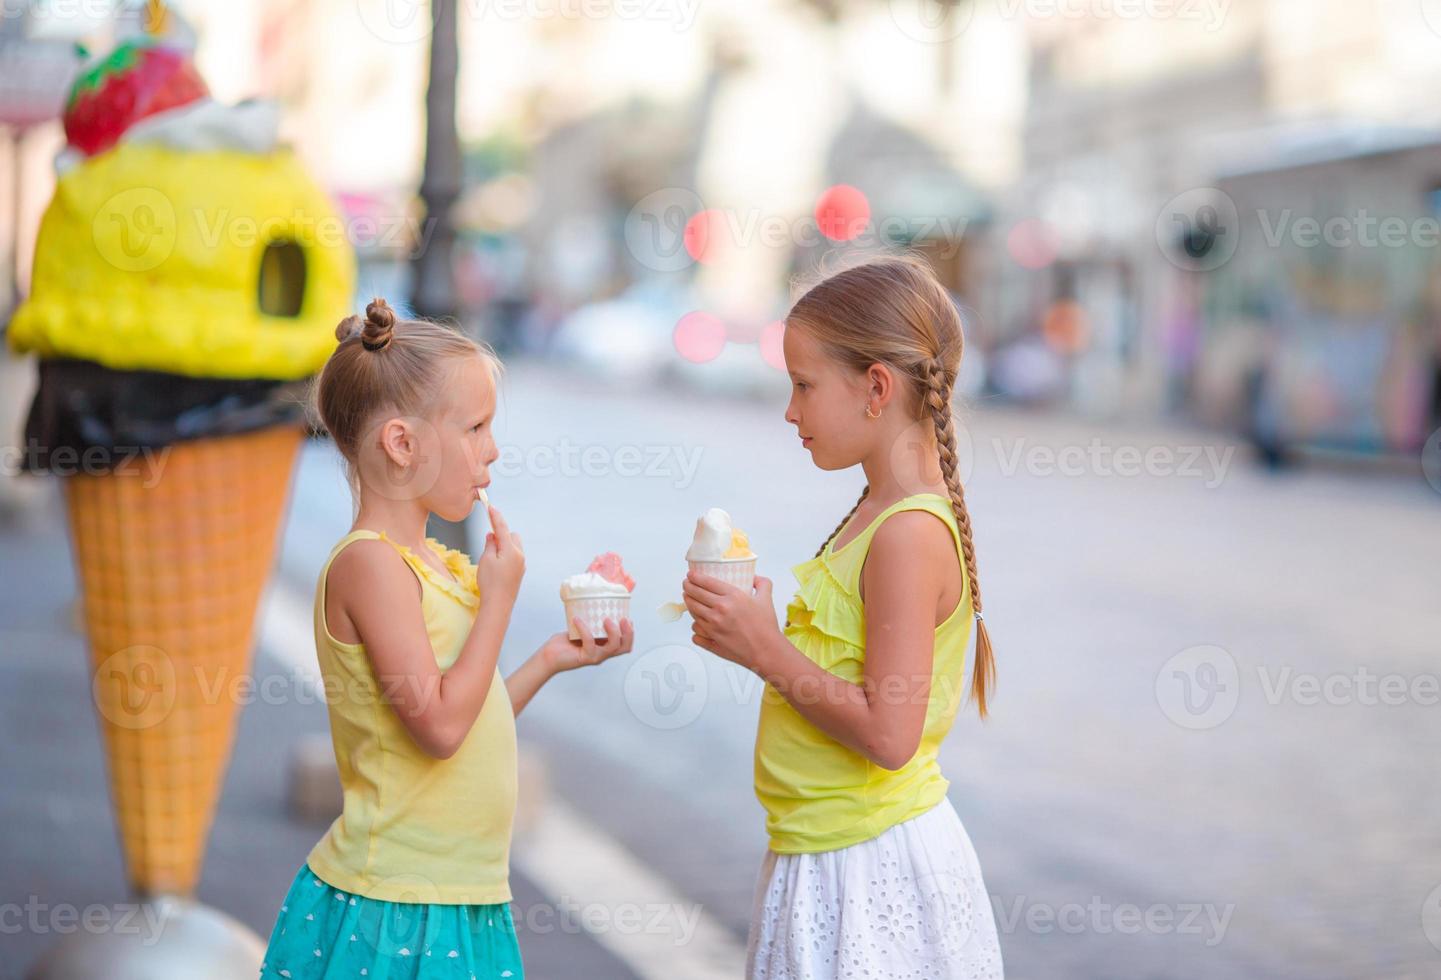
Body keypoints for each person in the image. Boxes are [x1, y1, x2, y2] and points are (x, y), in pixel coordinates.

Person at [258, 298, 634, 979]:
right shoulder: (370, 565)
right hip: (395, 900)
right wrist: (497, 602)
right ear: (402, 444)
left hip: (458, 893)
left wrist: (550, 658)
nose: (492, 449)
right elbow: (437, 727)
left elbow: (467, 714)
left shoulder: (433, 564)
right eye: (476, 427)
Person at [682, 256, 1004, 978]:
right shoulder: (872, 512)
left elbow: (889, 736)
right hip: (827, 850)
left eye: (802, 385)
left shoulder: (906, 532)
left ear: (875, 388)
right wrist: (755, 631)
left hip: (867, 863)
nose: (790, 411)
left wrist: (766, 650)